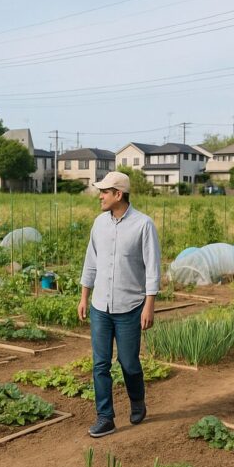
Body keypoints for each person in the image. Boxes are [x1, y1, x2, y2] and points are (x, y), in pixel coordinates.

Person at [77, 171, 160, 437]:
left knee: (128, 363)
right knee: (100, 364)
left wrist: (149, 305)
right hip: (100, 306)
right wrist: (84, 297)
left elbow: (152, 268)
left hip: (130, 306)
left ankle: (137, 400)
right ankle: (105, 417)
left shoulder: (143, 225)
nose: (100, 196)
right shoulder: (99, 224)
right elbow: (91, 261)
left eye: (104, 192)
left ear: (118, 194)